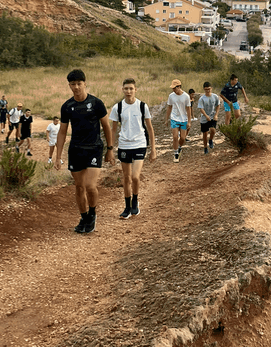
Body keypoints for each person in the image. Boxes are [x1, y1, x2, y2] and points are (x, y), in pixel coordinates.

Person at [54, 69, 115, 234]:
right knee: (79, 187)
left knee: (90, 185)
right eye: (72, 84)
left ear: (85, 83)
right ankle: (84, 217)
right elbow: (62, 132)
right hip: (76, 150)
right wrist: (57, 156)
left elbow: (106, 126)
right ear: (69, 85)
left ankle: (92, 214)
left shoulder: (96, 103)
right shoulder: (67, 106)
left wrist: (110, 149)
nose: (76, 87)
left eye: (79, 84)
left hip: (94, 148)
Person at [109, 78, 156, 218]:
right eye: (126, 88)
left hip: (139, 144)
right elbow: (113, 130)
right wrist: (110, 149)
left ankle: (135, 201)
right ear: (122, 90)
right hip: (124, 145)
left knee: (135, 177)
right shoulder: (117, 107)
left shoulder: (142, 106)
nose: (128, 91)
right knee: (126, 178)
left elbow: (150, 129)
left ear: (135, 90)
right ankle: (127, 207)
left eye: (131, 88)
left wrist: (153, 149)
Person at [166, 79, 191, 163]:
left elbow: (188, 109)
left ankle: (179, 147)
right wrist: (166, 119)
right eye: (172, 88)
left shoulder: (186, 96)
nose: (173, 89)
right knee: (175, 136)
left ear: (179, 87)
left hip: (183, 119)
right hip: (174, 118)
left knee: (183, 138)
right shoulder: (171, 96)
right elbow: (169, 107)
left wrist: (189, 121)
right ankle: (176, 153)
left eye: (174, 88)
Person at [197, 81, 220, 154]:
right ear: (204, 89)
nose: (208, 90)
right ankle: (205, 147)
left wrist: (216, 115)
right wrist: (206, 116)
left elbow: (218, 105)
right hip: (204, 118)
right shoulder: (202, 99)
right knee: (205, 133)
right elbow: (201, 109)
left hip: (212, 116)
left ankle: (210, 140)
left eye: (209, 89)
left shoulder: (215, 96)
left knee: (213, 130)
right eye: (206, 89)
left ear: (211, 88)